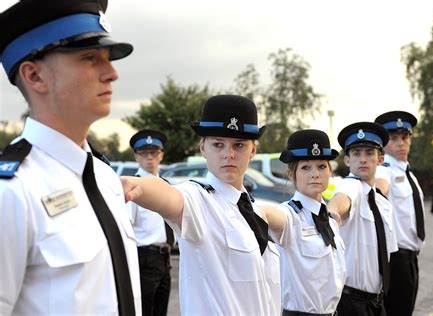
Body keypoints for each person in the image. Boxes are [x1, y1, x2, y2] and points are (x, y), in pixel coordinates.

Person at [0, 0, 141, 314]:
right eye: (90, 58)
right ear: (34, 76)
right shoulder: (11, 192)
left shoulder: (106, 178)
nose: (112, 73)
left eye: (108, 58)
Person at [121, 95, 286, 315]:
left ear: (253, 151)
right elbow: (169, 196)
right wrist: (133, 184)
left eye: (239, 145)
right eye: (218, 144)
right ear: (202, 149)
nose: (229, 154)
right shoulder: (197, 198)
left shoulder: (254, 210)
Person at [328, 122, 398, 316]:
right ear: (347, 161)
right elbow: (341, 200)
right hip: (351, 302)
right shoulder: (350, 186)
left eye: (369, 153)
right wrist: (333, 214)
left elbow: (389, 253)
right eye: (357, 153)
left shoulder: (382, 204)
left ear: (380, 159)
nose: (363, 159)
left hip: (376, 301)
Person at [276, 129, 346, 315]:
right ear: (291, 174)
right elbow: (270, 217)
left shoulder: (329, 219)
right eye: (306, 167)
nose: (315, 174)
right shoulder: (288, 214)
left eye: (322, 166)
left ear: (330, 171)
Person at [374, 111, 425, 316]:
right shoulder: (383, 170)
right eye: (393, 138)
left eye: (404, 137)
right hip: (396, 260)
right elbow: (380, 186)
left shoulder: (409, 175)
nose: (400, 143)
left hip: (411, 259)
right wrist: (374, 192)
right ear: (384, 144)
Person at [127, 129, 174, 315]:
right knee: (144, 310)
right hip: (144, 256)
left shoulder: (166, 185)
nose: (149, 158)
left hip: (165, 257)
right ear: (136, 156)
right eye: (143, 153)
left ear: (161, 155)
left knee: (161, 310)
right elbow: (126, 225)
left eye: (154, 152)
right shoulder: (133, 185)